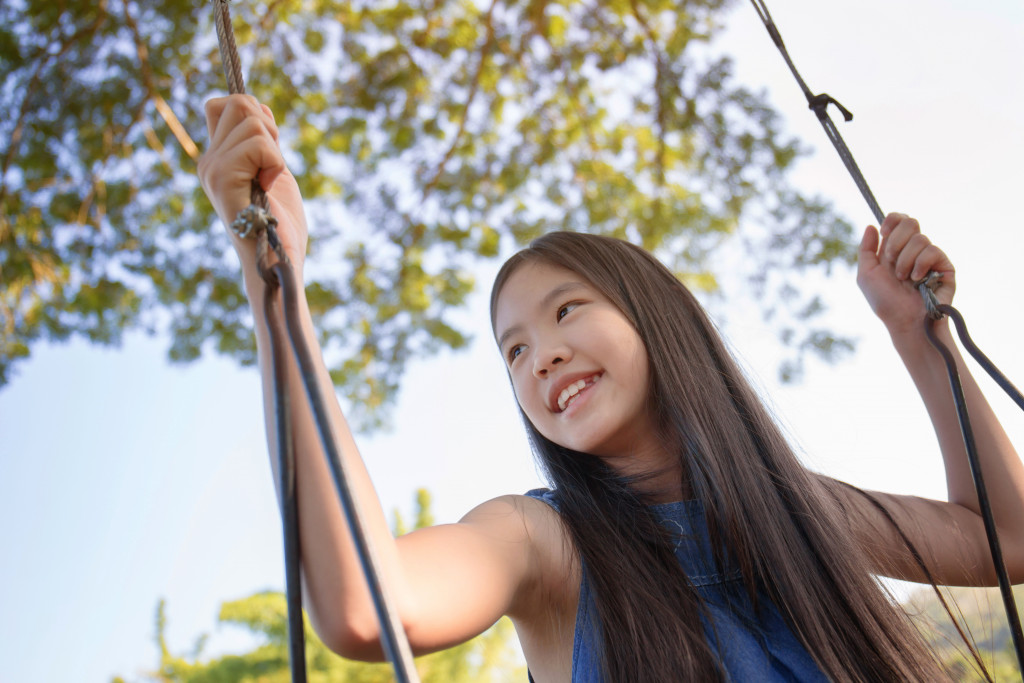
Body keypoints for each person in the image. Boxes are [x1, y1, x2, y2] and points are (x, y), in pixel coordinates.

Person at [198, 93, 1024, 682]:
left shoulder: (800, 512)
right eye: (513, 351)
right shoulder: (542, 543)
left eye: (566, 311)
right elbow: (371, 607)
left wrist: (922, 338)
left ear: (656, 320)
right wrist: (278, 284)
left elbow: (1008, 541)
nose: (541, 358)